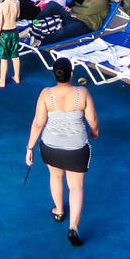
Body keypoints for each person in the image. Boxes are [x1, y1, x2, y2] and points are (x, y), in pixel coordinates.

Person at [26, 57, 100, 247]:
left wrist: (30, 147)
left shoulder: (45, 93)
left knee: (55, 176)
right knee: (75, 187)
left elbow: (38, 123)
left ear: (54, 74)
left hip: (50, 147)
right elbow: (91, 119)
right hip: (76, 149)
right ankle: (73, 227)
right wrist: (94, 132)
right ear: (71, 74)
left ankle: (59, 211)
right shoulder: (82, 92)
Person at [24, 0, 112, 46]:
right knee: (52, 5)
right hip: (75, 17)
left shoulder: (103, 2)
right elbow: (81, 8)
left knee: (63, 31)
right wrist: (70, 10)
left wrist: (72, 9)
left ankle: (39, 42)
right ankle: (33, 25)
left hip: (86, 25)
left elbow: (86, 11)